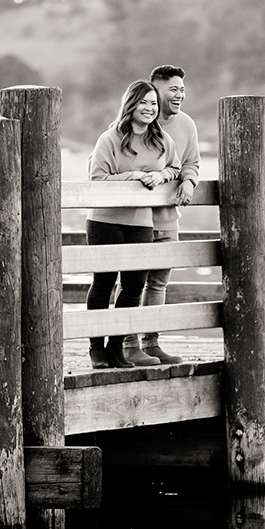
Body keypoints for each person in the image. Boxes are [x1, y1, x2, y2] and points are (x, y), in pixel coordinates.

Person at [86, 80, 180, 369]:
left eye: (154, 103)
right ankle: (96, 349)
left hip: (142, 223)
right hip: (106, 221)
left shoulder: (161, 140)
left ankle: (117, 348)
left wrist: (162, 175)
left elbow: (175, 166)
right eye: (144, 103)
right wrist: (134, 177)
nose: (150, 109)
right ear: (131, 104)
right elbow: (97, 179)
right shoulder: (110, 138)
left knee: (133, 286)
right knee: (103, 283)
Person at [122, 65, 200, 366]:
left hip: (168, 216)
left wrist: (189, 181)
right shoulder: (135, 124)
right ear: (154, 89)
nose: (180, 94)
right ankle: (129, 343)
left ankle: (151, 343)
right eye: (173, 89)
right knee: (132, 282)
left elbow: (190, 163)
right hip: (135, 218)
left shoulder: (186, 125)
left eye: (182, 89)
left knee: (158, 283)